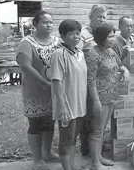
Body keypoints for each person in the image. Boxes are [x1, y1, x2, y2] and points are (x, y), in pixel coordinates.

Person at [16, 10, 60, 170]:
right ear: (35, 24)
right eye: (45, 22)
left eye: (51, 22)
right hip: (35, 91)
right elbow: (26, 67)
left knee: (49, 122)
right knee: (35, 124)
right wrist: (45, 83)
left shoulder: (57, 42)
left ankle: (47, 152)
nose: (49, 25)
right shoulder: (26, 43)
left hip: (53, 91)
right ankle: (37, 159)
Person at [85, 23, 130, 170]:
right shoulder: (93, 54)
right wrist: (96, 101)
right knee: (97, 130)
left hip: (111, 95)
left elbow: (119, 64)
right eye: (110, 36)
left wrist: (125, 70)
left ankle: (99, 157)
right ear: (101, 37)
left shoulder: (110, 51)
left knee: (103, 128)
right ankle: (95, 163)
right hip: (100, 97)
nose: (112, 39)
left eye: (113, 36)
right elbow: (90, 80)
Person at [50, 19, 87, 170]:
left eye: (78, 33)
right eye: (71, 34)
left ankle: (72, 165)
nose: (76, 36)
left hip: (79, 105)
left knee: (73, 138)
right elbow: (57, 81)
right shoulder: (59, 54)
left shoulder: (80, 53)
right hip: (67, 106)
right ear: (62, 36)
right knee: (66, 140)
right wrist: (62, 107)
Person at [77, 4, 107, 158]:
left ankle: (96, 150)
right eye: (99, 16)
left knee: (97, 119)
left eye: (104, 17)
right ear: (91, 17)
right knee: (88, 118)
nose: (101, 19)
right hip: (87, 82)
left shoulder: (101, 34)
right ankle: (87, 151)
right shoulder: (83, 35)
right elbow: (76, 56)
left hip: (101, 84)